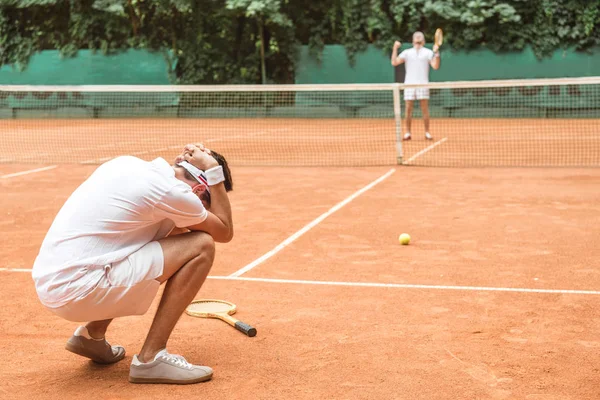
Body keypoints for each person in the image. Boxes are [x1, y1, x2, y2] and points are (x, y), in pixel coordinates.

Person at [32, 143, 233, 385]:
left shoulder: (126, 163)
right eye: (206, 205)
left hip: (53, 283)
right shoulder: (172, 193)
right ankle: (151, 358)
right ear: (200, 189)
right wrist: (214, 172)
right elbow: (224, 232)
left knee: (173, 231)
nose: (205, 213)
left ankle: (92, 335)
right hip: (78, 291)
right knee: (202, 244)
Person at [391, 31, 441, 140]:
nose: (418, 37)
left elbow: (435, 66)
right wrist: (395, 48)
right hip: (409, 84)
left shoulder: (428, 52)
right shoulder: (407, 52)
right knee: (408, 109)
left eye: (420, 36)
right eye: (416, 36)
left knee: (424, 109)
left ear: (423, 40)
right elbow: (394, 62)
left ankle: (427, 132)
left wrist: (437, 54)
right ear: (413, 40)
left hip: (423, 84)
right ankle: (408, 133)